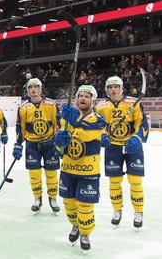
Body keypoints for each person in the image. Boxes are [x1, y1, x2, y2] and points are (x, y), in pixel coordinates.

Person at [54, 85, 107, 251]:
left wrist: (74, 122)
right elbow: (60, 149)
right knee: (69, 205)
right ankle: (75, 225)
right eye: (80, 96)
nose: (82, 98)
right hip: (68, 170)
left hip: (88, 172)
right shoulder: (66, 120)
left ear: (93, 100)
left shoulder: (99, 120)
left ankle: (85, 233)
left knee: (85, 207)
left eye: (86, 96)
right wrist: (58, 142)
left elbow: (89, 133)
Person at [95, 76, 149, 228]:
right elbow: (96, 126)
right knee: (114, 181)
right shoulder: (101, 106)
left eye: (116, 86)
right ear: (106, 89)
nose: (113, 89)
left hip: (132, 146)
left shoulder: (133, 103)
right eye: (110, 87)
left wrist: (137, 138)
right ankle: (117, 210)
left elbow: (142, 123)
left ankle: (139, 212)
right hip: (113, 147)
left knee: (135, 181)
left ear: (121, 88)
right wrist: (102, 136)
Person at [13, 78, 61, 214]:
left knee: (51, 173)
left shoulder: (51, 104)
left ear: (41, 88)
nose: (33, 89)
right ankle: (37, 198)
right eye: (30, 87)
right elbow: (20, 127)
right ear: (27, 90)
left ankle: (53, 198)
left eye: (36, 87)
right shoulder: (23, 107)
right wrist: (18, 144)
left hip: (49, 143)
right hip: (32, 144)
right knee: (34, 173)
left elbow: (57, 124)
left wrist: (59, 143)